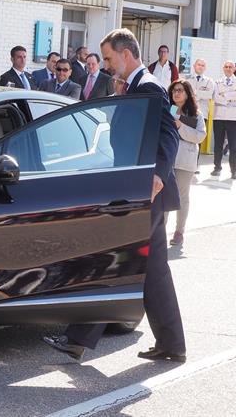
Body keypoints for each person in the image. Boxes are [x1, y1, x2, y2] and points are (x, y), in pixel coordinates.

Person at [43, 28, 186, 363]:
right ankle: (172, 343)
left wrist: (157, 178)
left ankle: (77, 339)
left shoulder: (148, 86)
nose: (106, 65)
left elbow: (168, 135)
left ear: (126, 53)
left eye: (108, 58)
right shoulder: (135, 86)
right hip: (139, 190)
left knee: (112, 260)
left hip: (144, 192)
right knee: (154, 271)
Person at [166, 80, 206, 246]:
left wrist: (180, 126)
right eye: (174, 90)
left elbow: (199, 137)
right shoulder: (170, 109)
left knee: (182, 197)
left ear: (187, 93)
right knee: (165, 197)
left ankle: (179, 231)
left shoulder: (196, 113)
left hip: (185, 160)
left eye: (180, 90)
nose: (176, 93)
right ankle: (159, 231)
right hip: (168, 159)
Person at [211, 61, 236, 179]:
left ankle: (234, 170)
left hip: (234, 117)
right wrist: (231, 97)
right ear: (223, 68)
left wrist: (225, 95)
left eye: (230, 67)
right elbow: (216, 97)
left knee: (233, 145)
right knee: (218, 144)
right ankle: (217, 168)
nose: (228, 69)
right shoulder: (217, 82)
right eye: (226, 67)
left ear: (235, 68)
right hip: (219, 116)